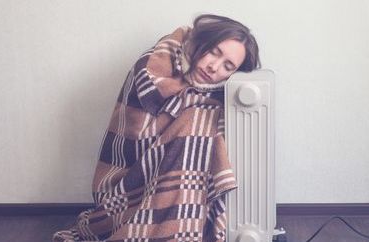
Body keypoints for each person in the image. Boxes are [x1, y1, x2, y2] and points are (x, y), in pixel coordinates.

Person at [53, 14, 260, 242]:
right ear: (203, 40)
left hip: (172, 185)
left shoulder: (218, 97)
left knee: (202, 123)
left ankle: (179, 229)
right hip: (126, 186)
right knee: (196, 125)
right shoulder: (153, 67)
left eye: (227, 66)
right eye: (214, 52)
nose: (213, 67)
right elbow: (143, 118)